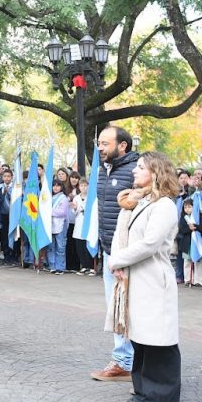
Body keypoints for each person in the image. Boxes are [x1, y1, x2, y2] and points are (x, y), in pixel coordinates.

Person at [105, 151, 182, 402]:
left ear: (156, 173)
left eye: (140, 167)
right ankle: (143, 391)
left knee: (158, 340)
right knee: (141, 338)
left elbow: (150, 243)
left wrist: (116, 260)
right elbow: (122, 234)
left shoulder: (165, 205)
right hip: (135, 280)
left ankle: (162, 399)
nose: (134, 171)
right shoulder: (137, 202)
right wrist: (119, 261)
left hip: (153, 280)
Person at [91, 125, 139, 383]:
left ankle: (126, 361)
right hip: (109, 249)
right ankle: (125, 360)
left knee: (126, 308)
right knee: (115, 307)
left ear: (123, 146)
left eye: (105, 143)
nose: (100, 147)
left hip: (128, 254)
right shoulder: (102, 170)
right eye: (99, 143)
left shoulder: (136, 171)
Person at [176, 198, 202, 287]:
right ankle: (188, 279)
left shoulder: (199, 217)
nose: (187, 209)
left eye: (190, 207)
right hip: (187, 243)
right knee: (187, 261)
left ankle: (199, 280)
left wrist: (195, 227)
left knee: (198, 261)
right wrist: (189, 229)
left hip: (197, 243)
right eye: (185, 207)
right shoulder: (183, 218)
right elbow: (181, 230)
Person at [48, 179, 69, 274]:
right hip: (50, 224)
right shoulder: (49, 197)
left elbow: (62, 212)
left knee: (60, 247)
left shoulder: (63, 198)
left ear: (61, 187)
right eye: (54, 185)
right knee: (51, 246)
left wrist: (49, 212)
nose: (55, 187)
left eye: (58, 185)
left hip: (60, 224)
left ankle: (60, 267)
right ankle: (52, 266)